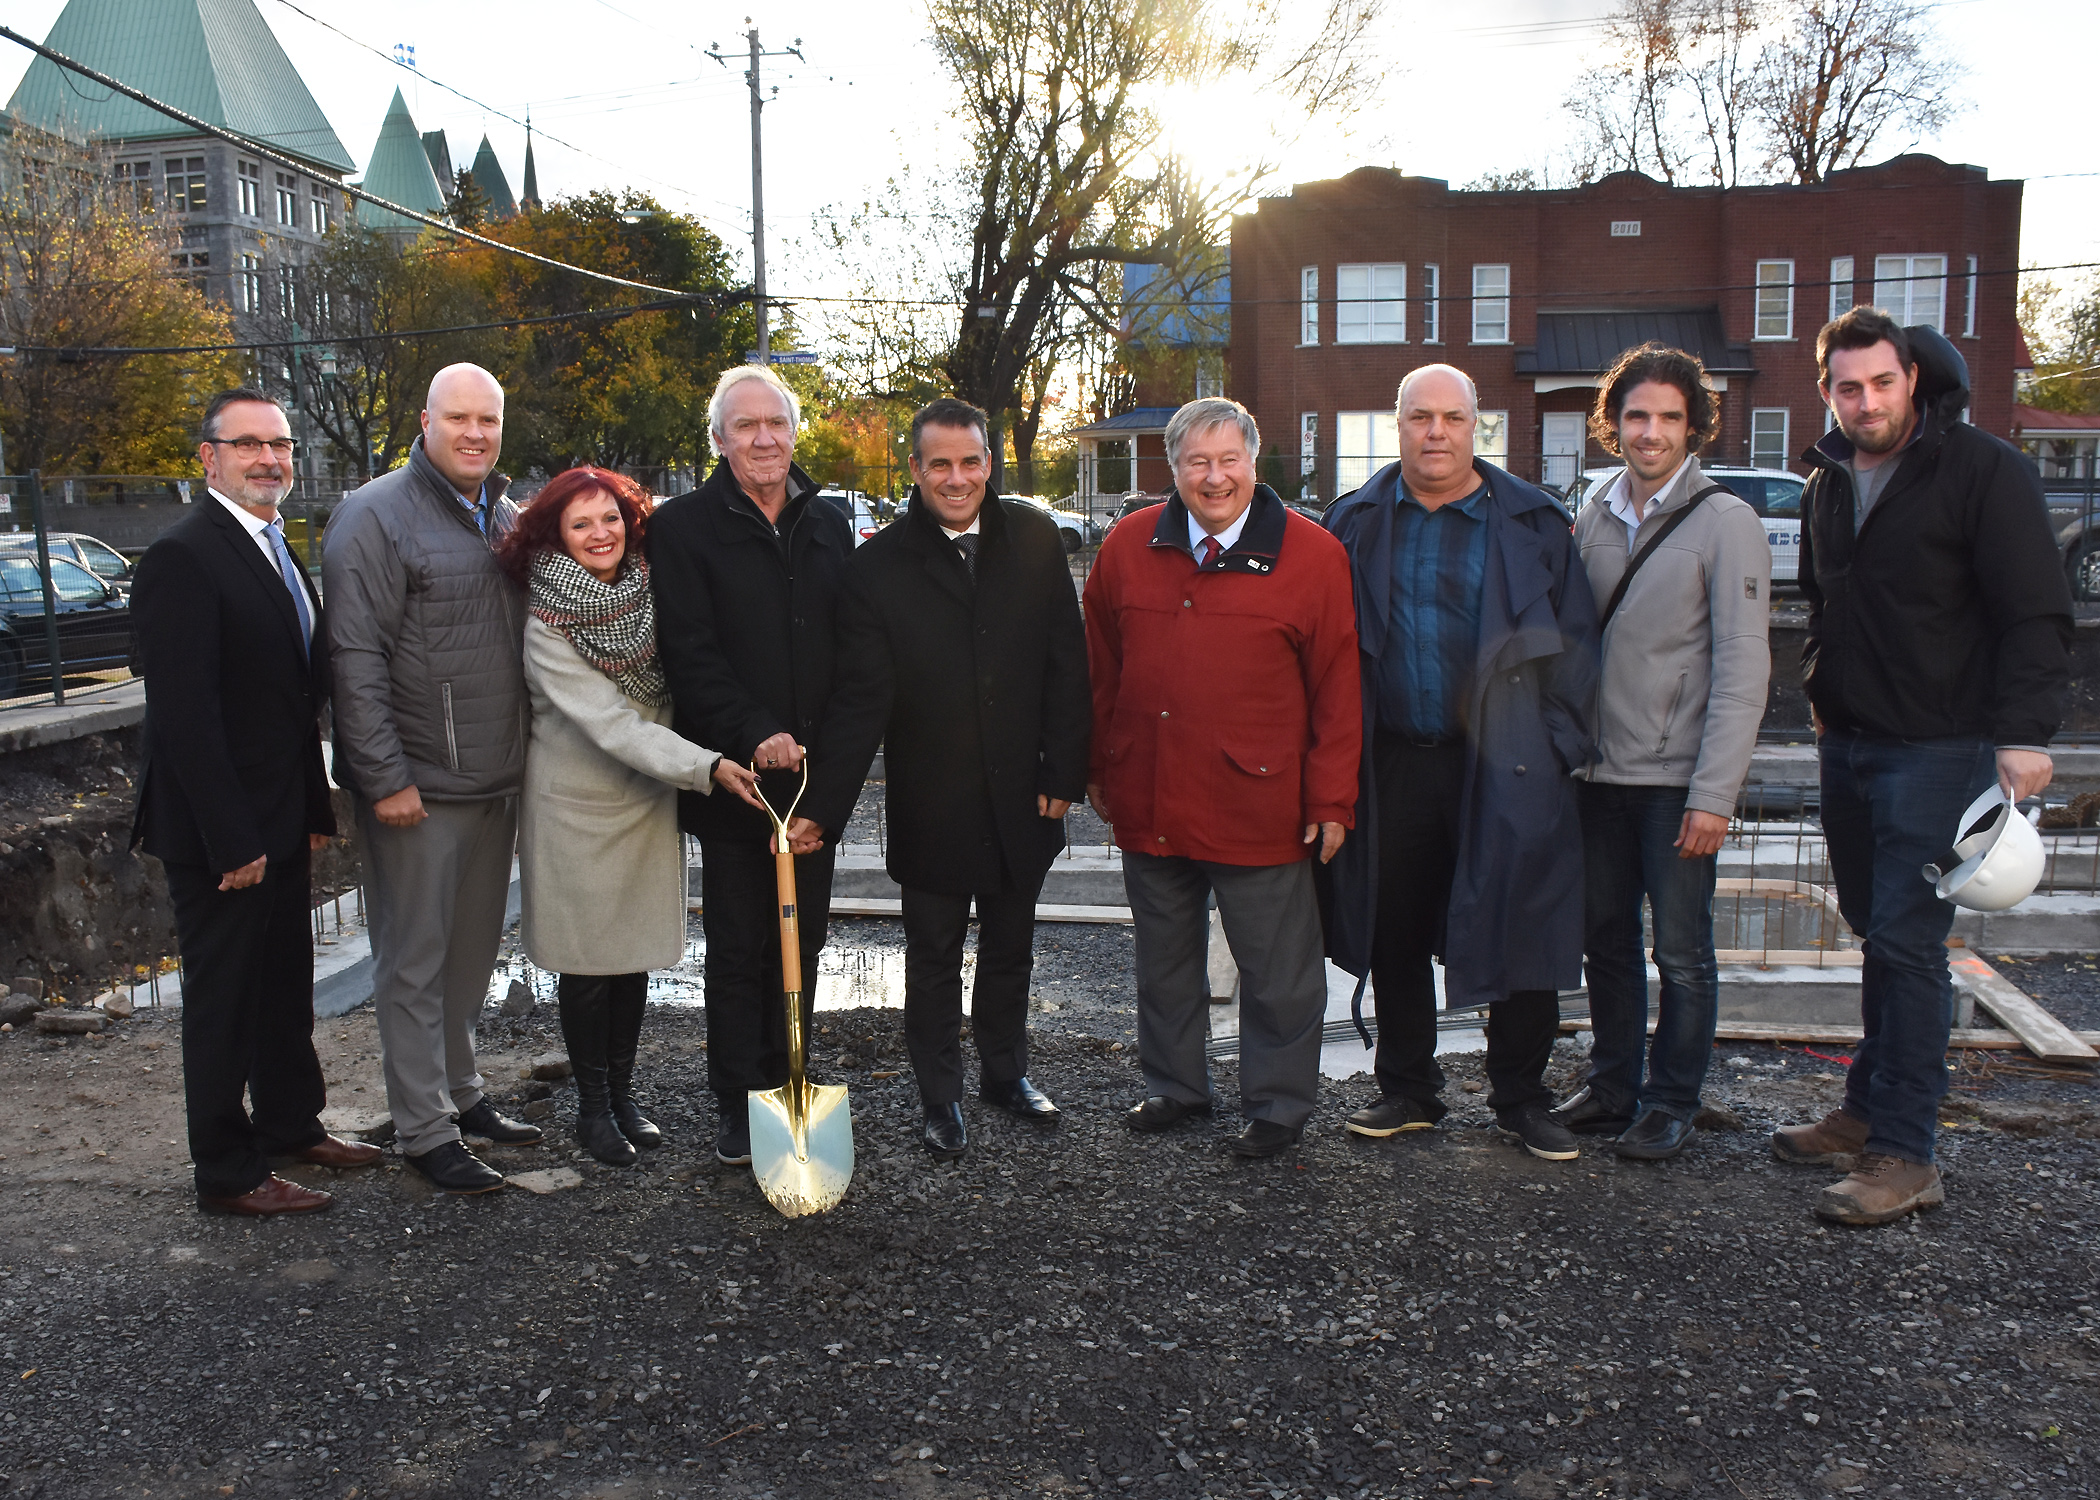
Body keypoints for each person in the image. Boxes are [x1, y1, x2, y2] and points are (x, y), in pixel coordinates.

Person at [1774, 309, 2071, 1225]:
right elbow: (1823, 598)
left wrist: (2024, 734)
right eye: (1847, 387)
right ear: (1827, 390)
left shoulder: (1981, 470)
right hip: (1851, 742)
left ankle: (1907, 1155)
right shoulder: (1828, 478)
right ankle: (1868, 1111)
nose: (1866, 402)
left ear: (1913, 378)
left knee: (1907, 944)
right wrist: (1824, 695)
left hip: (1941, 747)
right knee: (1878, 931)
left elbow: (2035, 611)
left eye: (1882, 383)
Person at [1322, 365, 1600, 1162]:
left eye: (1451, 417)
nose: (1435, 432)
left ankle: (1521, 1097)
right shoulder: (1355, 521)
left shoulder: (1534, 522)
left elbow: (1576, 651)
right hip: (1395, 765)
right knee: (1395, 930)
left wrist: (1554, 750)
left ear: (1477, 427)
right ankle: (1409, 1089)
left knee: (1519, 927)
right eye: (1419, 417)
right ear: (1398, 424)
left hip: (1507, 767)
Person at [804, 398, 1090, 1160]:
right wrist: (822, 809)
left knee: (1011, 945)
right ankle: (941, 1097)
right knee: (931, 957)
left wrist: (1066, 770)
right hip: (933, 800)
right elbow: (862, 701)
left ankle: (1006, 1073)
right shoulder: (879, 566)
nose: (956, 478)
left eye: (970, 462)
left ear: (989, 463)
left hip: (1024, 792)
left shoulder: (1031, 537)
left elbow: (1068, 660)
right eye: (940, 464)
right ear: (915, 469)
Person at [1083, 397, 1360, 1158]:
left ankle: (1277, 1106)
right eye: (1196, 463)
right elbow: (1101, 667)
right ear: (1172, 470)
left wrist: (1332, 796)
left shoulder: (1312, 555)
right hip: (1151, 792)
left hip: (1260, 801)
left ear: (1253, 463)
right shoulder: (1129, 544)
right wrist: (1098, 764)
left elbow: (1338, 687)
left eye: (1228, 460)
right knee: (1164, 961)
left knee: (1279, 972)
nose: (1214, 478)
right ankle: (1176, 1086)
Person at [130, 386, 379, 1215]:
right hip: (219, 831)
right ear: (210, 458)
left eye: (281, 445)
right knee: (226, 1001)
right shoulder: (184, 556)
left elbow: (286, 705)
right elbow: (186, 716)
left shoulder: (275, 544)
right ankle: (229, 1173)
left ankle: (289, 1123)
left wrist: (307, 813)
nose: (270, 459)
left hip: (275, 815)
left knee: (282, 984)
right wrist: (234, 839)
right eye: (249, 445)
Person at [496, 467, 765, 1165]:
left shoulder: (648, 592)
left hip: (644, 801)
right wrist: (707, 766)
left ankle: (623, 1094)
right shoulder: (547, 620)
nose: (599, 534)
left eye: (610, 518)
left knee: (633, 956)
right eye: (580, 523)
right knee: (589, 966)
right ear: (554, 534)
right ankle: (591, 1109)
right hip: (578, 813)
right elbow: (612, 723)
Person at [324, 363, 544, 1196]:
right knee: (413, 962)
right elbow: (355, 660)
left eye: (488, 419)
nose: (475, 433)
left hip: (493, 781)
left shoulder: (506, 517)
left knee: (468, 959)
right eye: (459, 418)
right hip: (416, 788)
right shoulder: (374, 517)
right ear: (426, 422)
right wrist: (384, 778)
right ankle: (423, 1129)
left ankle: (462, 1094)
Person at [1548, 343, 1770, 1160]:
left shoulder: (1726, 523)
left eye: (1669, 417)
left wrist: (1715, 795)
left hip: (1676, 781)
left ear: (1694, 427)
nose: (1651, 432)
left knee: (1680, 952)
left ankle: (1672, 1100)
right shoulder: (1595, 512)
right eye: (1637, 415)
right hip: (1597, 776)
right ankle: (1613, 1088)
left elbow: (1746, 666)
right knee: (1604, 940)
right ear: (1615, 423)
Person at [648, 365, 853, 1167]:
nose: (764, 439)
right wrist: (755, 729)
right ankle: (739, 1097)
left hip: (815, 783)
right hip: (738, 779)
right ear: (719, 440)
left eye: (776, 424)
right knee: (740, 947)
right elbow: (689, 655)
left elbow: (854, 646)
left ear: (794, 432)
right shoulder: (686, 528)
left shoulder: (828, 520)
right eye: (746, 426)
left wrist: (828, 777)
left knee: (808, 939)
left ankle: (789, 1078)